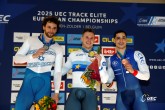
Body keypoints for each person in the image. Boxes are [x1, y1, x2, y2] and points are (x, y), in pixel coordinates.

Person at [14, 16, 63, 110]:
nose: (51, 30)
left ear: (56, 30)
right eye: (49, 27)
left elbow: (57, 72)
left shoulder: (58, 48)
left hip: (44, 86)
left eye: (54, 28)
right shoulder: (31, 40)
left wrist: (56, 93)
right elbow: (16, 59)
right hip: (28, 84)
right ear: (44, 27)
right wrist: (32, 56)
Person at [62, 28, 111, 110]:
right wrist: (46, 72)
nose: (89, 40)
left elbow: (105, 80)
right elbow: (63, 71)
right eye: (86, 37)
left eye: (91, 38)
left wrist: (99, 65)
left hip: (90, 93)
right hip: (74, 91)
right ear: (81, 39)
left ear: (94, 40)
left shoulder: (99, 56)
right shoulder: (73, 54)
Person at [107, 30, 150, 110]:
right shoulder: (110, 60)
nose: (121, 41)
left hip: (137, 95)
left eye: (123, 38)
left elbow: (146, 76)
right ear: (114, 41)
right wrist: (100, 72)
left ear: (126, 40)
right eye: (118, 38)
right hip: (121, 97)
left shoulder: (136, 54)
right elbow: (109, 80)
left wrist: (133, 71)